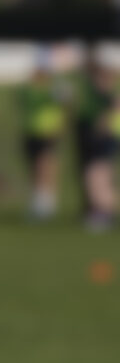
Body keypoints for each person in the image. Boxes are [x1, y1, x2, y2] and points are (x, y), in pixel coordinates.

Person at [17, 51, 69, 221]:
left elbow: (65, 102)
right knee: (34, 167)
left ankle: (47, 202)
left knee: (45, 165)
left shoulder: (53, 88)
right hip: (31, 131)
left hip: (49, 131)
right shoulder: (28, 88)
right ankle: (38, 200)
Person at [75, 57, 116, 233]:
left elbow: (114, 109)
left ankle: (104, 213)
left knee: (97, 175)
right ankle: (100, 212)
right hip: (98, 137)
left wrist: (104, 122)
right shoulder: (94, 92)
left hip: (106, 137)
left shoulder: (108, 93)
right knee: (96, 175)